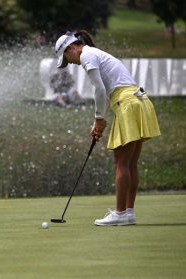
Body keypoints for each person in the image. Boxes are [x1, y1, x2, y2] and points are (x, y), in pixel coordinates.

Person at [54, 30, 161, 226]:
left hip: (127, 102)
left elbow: (99, 89)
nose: (71, 62)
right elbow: (106, 91)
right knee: (129, 163)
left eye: (67, 58)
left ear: (71, 48)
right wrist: (98, 121)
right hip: (138, 100)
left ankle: (120, 214)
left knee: (121, 163)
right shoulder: (95, 53)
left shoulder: (87, 55)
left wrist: (99, 120)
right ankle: (128, 212)